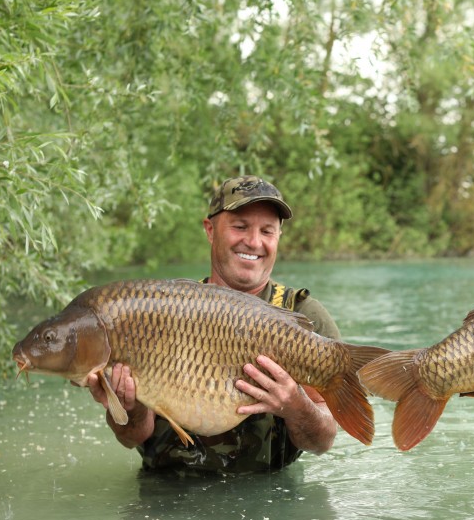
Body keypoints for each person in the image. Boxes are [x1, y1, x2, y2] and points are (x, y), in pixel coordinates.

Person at [85, 175, 339, 475]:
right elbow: (131, 437)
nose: (254, 242)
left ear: (278, 237)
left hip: (264, 504)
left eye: (267, 231)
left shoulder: (304, 317)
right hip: (165, 501)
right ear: (210, 230)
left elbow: (322, 442)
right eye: (240, 227)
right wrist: (131, 407)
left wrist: (295, 405)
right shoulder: (158, 311)